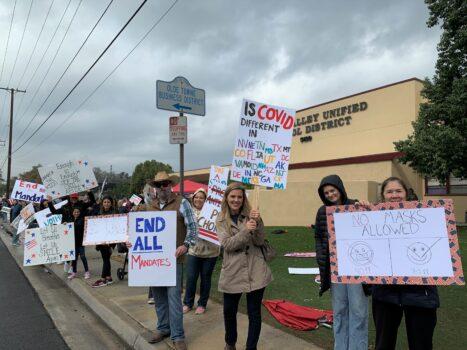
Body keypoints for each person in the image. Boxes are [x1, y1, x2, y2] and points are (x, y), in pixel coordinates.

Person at [128, 171, 197, 350]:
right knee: (158, 298)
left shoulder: (182, 203)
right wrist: (131, 241)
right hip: (153, 262)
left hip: (174, 260)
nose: (162, 188)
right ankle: (163, 328)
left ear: (170, 185)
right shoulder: (148, 206)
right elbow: (134, 226)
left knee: (174, 298)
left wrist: (186, 245)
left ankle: (178, 335)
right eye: (158, 185)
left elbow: (193, 228)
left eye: (165, 184)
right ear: (154, 188)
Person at [372, 177, 438, 350]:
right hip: (386, 293)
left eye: (398, 191)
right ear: (383, 196)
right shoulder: (372, 218)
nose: (394, 195)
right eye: (389, 191)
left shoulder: (426, 216)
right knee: (383, 344)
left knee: (421, 344)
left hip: (420, 294)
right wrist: (361, 211)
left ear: (406, 194)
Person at [314, 174, 370, 350]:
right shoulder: (323, 211)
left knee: (359, 312)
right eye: (326, 192)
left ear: (340, 189)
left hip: (356, 268)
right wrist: (321, 260)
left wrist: (366, 209)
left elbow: (370, 228)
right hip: (335, 269)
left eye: (333, 190)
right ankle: (340, 346)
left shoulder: (355, 206)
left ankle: (357, 347)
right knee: (339, 311)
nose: (330, 194)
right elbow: (319, 237)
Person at [217, 182, 272, 350]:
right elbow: (228, 245)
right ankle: (230, 342)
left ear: (244, 198)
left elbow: (260, 241)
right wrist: (246, 230)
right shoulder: (220, 219)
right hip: (233, 271)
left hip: (255, 269)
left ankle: (251, 347)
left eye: (239, 197)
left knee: (254, 313)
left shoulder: (251, 214)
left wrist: (258, 221)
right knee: (229, 311)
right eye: (232, 196)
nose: (236, 200)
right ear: (226, 198)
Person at [183, 188, 220, 315]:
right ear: (193, 199)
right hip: (194, 250)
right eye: (196, 197)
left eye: (201, 197)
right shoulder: (189, 212)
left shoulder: (214, 213)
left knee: (206, 278)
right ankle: (188, 303)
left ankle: (202, 304)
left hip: (211, 252)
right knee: (191, 277)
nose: (198, 199)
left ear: (206, 200)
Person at [91, 195, 118, 287]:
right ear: (102, 203)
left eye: (108, 202)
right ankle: (109, 277)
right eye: (105, 202)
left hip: (110, 242)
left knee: (106, 259)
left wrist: (110, 242)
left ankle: (103, 279)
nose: (106, 204)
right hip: (101, 240)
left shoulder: (115, 213)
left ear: (111, 203)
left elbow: (117, 228)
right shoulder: (99, 213)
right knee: (105, 259)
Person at [68, 206, 90, 280]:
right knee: (74, 258)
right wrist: (65, 224)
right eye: (75, 212)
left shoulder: (82, 220)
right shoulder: (70, 220)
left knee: (83, 257)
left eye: (78, 212)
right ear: (72, 213)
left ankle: (87, 271)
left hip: (80, 242)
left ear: (80, 213)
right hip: (73, 243)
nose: (76, 213)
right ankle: (74, 272)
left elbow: (78, 226)